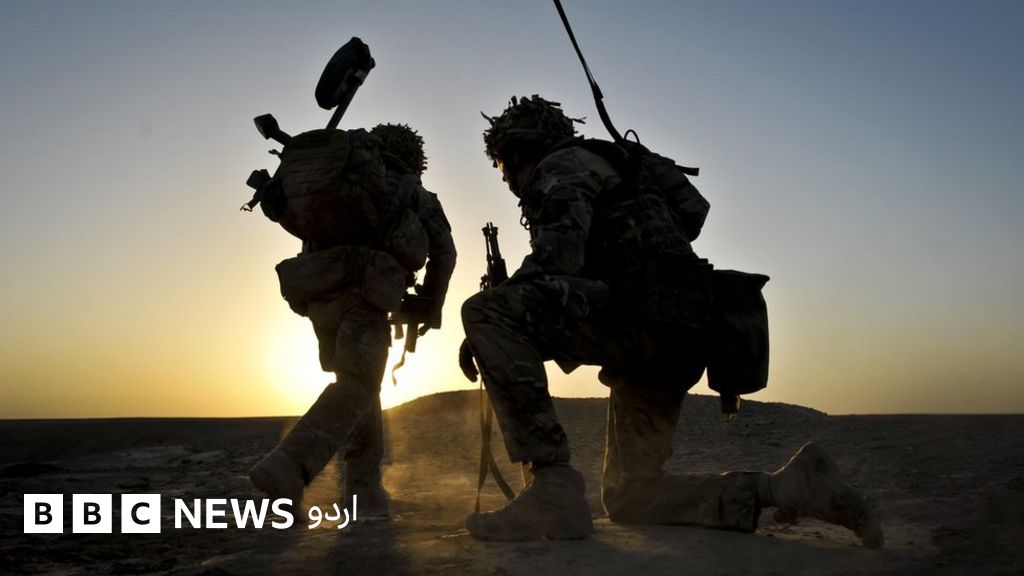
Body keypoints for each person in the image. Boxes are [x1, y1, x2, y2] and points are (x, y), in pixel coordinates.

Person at [459, 95, 883, 546]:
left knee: (485, 310)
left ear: (520, 150)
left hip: (638, 320)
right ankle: (783, 487)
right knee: (631, 496)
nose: (506, 180)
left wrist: (496, 321)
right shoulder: (630, 167)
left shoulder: (560, 164)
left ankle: (553, 489)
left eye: (502, 165)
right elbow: (693, 215)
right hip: (681, 332)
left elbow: (558, 256)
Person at [250, 123, 456, 518]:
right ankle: (289, 465)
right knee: (360, 383)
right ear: (414, 157)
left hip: (317, 293)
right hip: (364, 291)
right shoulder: (411, 190)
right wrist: (431, 305)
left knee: (359, 385)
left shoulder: (345, 179)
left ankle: (363, 491)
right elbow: (444, 252)